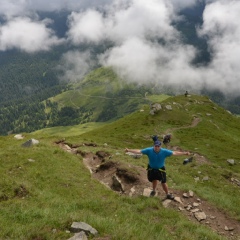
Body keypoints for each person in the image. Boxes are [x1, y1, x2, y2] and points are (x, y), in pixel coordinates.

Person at [125, 140, 191, 199]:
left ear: (160, 146)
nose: (156, 147)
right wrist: (129, 150)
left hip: (161, 170)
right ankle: (153, 190)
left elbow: (174, 153)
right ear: (154, 146)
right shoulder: (149, 150)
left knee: (163, 183)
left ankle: (167, 194)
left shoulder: (164, 151)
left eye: (158, 146)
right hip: (152, 169)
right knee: (154, 180)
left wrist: (184, 153)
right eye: (155, 146)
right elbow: (139, 151)